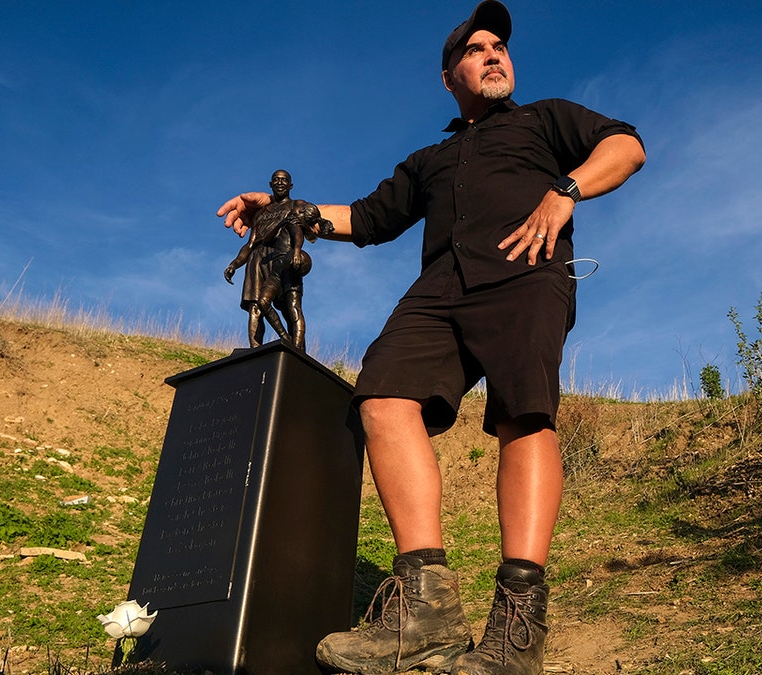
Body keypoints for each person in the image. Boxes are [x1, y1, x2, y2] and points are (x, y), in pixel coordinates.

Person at [217, 3, 644, 672]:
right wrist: (281, 212)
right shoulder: (430, 159)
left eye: (500, 45)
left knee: (522, 414)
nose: (495, 53)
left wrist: (565, 190)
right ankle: (427, 611)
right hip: (441, 288)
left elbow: (626, 146)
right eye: (477, 49)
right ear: (450, 77)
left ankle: (518, 629)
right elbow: (362, 217)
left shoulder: (547, 119)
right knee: (381, 394)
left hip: (526, 270)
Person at [223, 169, 329, 350]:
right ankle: (255, 351)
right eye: (276, 180)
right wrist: (235, 264)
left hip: (284, 256)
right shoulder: (260, 213)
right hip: (258, 260)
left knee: (290, 308)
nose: (280, 183)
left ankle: (298, 353)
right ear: (271, 185)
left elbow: (314, 229)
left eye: (284, 180)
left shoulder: (297, 205)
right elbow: (250, 243)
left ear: (291, 185)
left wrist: (320, 225)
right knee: (255, 306)